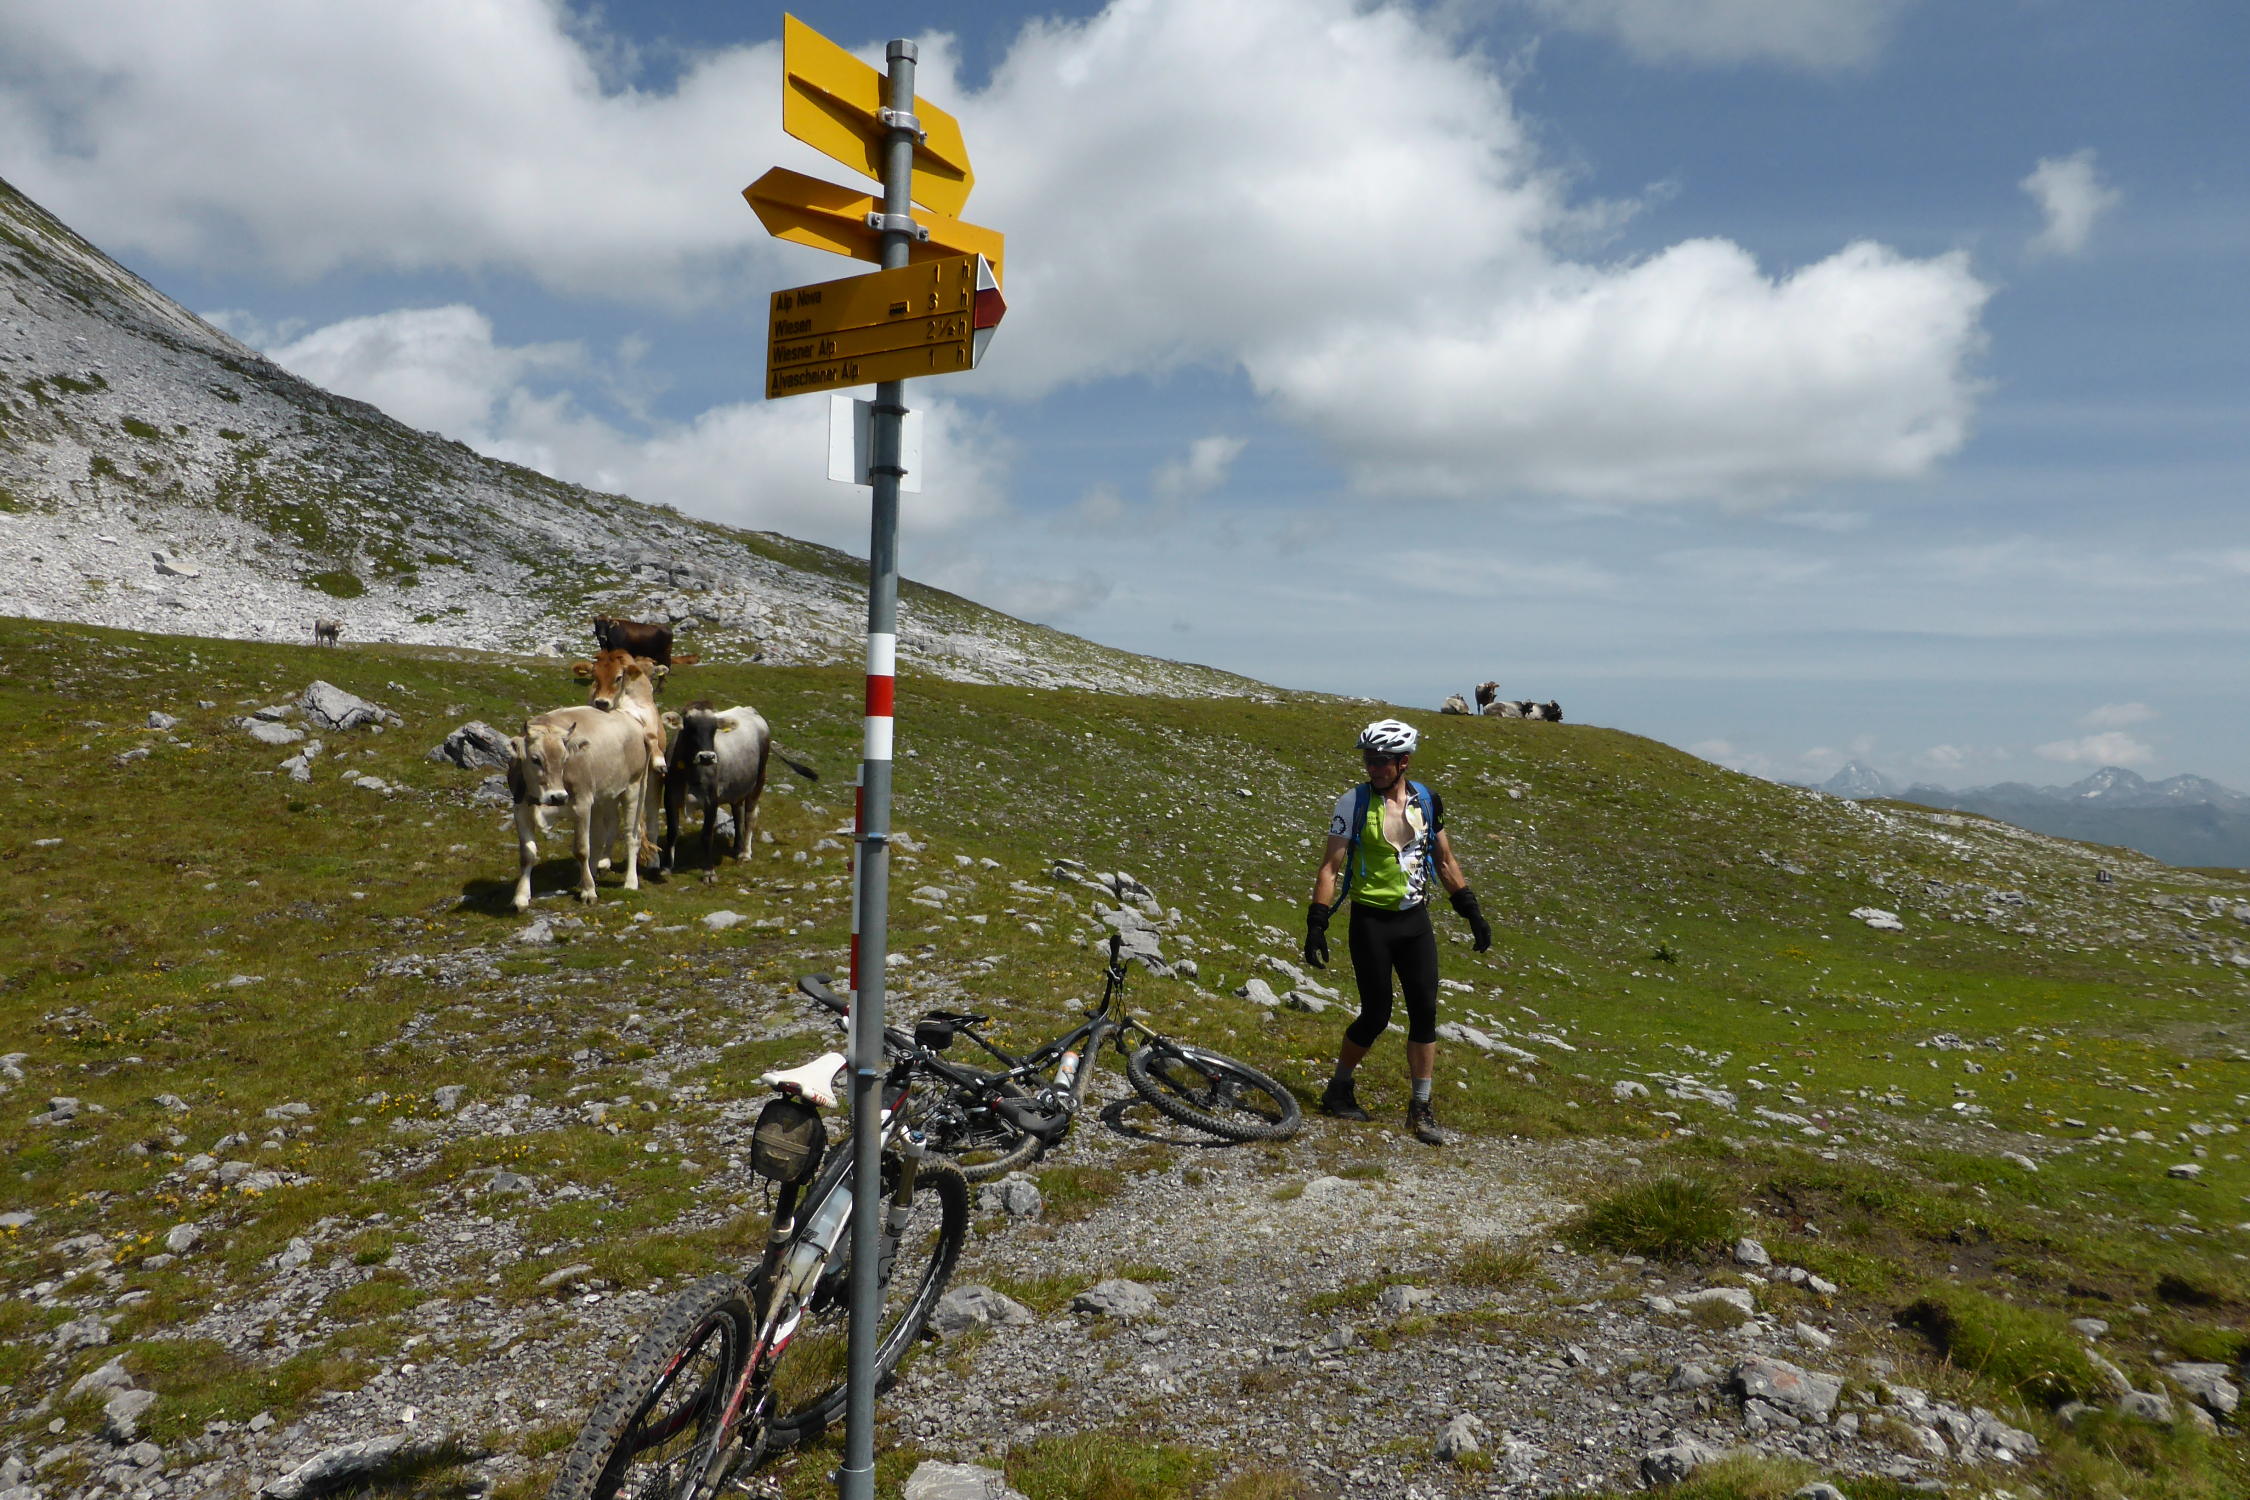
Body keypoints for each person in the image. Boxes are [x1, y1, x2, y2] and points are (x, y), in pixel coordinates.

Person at [1303, 718, 1490, 1145]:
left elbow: (1444, 860)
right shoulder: (1352, 803)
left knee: (1425, 1012)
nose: (1372, 767)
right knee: (1376, 1014)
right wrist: (1317, 921)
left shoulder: (1426, 800)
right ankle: (1338, 1088)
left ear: (1403, 762)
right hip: (1370, 922)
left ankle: (1420, 1109)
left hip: (1414, 921)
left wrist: (1471, 910)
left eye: (1381, 761)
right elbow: (1330, 866)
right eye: (1368, 760)